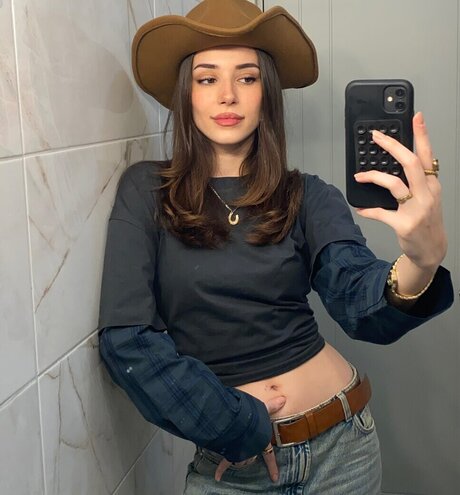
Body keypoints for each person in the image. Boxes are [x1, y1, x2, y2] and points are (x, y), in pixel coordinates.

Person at [97, 1, 454, 493]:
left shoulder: (307, 196)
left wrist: (421, 260)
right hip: (234, 466)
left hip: (342, 450)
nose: (227, 94)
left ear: (267, 92)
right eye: (207, 78)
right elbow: (127, 341)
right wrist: (236, 424)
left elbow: (359, 300)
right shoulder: (146, 192)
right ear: (186, 94)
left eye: (246, 78)